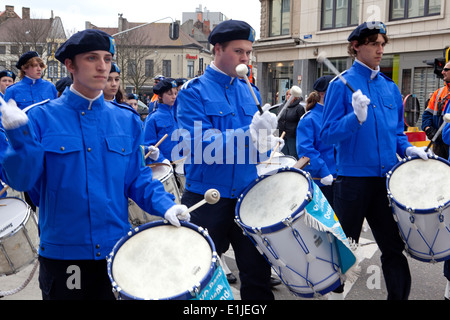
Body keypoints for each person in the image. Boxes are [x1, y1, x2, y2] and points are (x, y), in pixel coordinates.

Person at [0, 29, 189, 300]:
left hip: (117, 248)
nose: (102, 66)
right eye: (91, 58)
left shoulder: (127, 120)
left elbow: (137, 179)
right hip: (65, 255)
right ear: (70, 65)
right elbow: (22, 181)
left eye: (107, 58)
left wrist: (166, 205)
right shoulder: (41, 118)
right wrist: (22, 140)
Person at [320, 21, 430, 300]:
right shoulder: (340, 84)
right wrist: (354, 118)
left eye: (383, 44)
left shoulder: (390, 88)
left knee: (393, 248)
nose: (380, 49)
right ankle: (334, 296)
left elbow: (396, 133)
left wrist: (407, 150)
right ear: (356, 46)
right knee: (345, 251)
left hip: (384, 180)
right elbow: (328, 135)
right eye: (373, 44)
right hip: (353, 181)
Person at [176, 20, 283, 300]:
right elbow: (197, 145)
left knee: (258, 275)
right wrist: (248, 134)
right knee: (197, 277)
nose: (245, 59)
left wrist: (265, 143)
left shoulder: (250, 91)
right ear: (218, 49)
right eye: (239, 51)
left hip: (248, 194)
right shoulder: (193, 91)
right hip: (207, 196)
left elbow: (256, 153)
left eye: (248, 52)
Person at [296, 75, 336, 207]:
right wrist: (323, 171)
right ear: (322, 94)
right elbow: (306, 150)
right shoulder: (309, 119)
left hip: (340, 177)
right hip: (322, 180)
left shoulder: (337, 116)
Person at [144, 78, 180, 163]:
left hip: (179, 162)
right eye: (170, 94)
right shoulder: (153, 118)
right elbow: (148, 145)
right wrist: (161, 159)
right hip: (162, 164)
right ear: (160, 96)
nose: (174, 97)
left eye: (175, 93)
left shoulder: (178, 115)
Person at [422, 61, 450, 159]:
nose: (442, 72)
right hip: (438, 145)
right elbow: (426, 115)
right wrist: (429, 130)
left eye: (446, 70)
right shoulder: (438, 93)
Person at [277, 88, 305, 159]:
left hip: (293, 137)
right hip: (282, 136)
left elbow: (301, 124)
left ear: (295, 96)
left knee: (293, 156)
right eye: (287, 94)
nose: (288, 96)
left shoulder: (299, 108)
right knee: (283, 155)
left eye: (290, 94)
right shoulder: (281, 107)